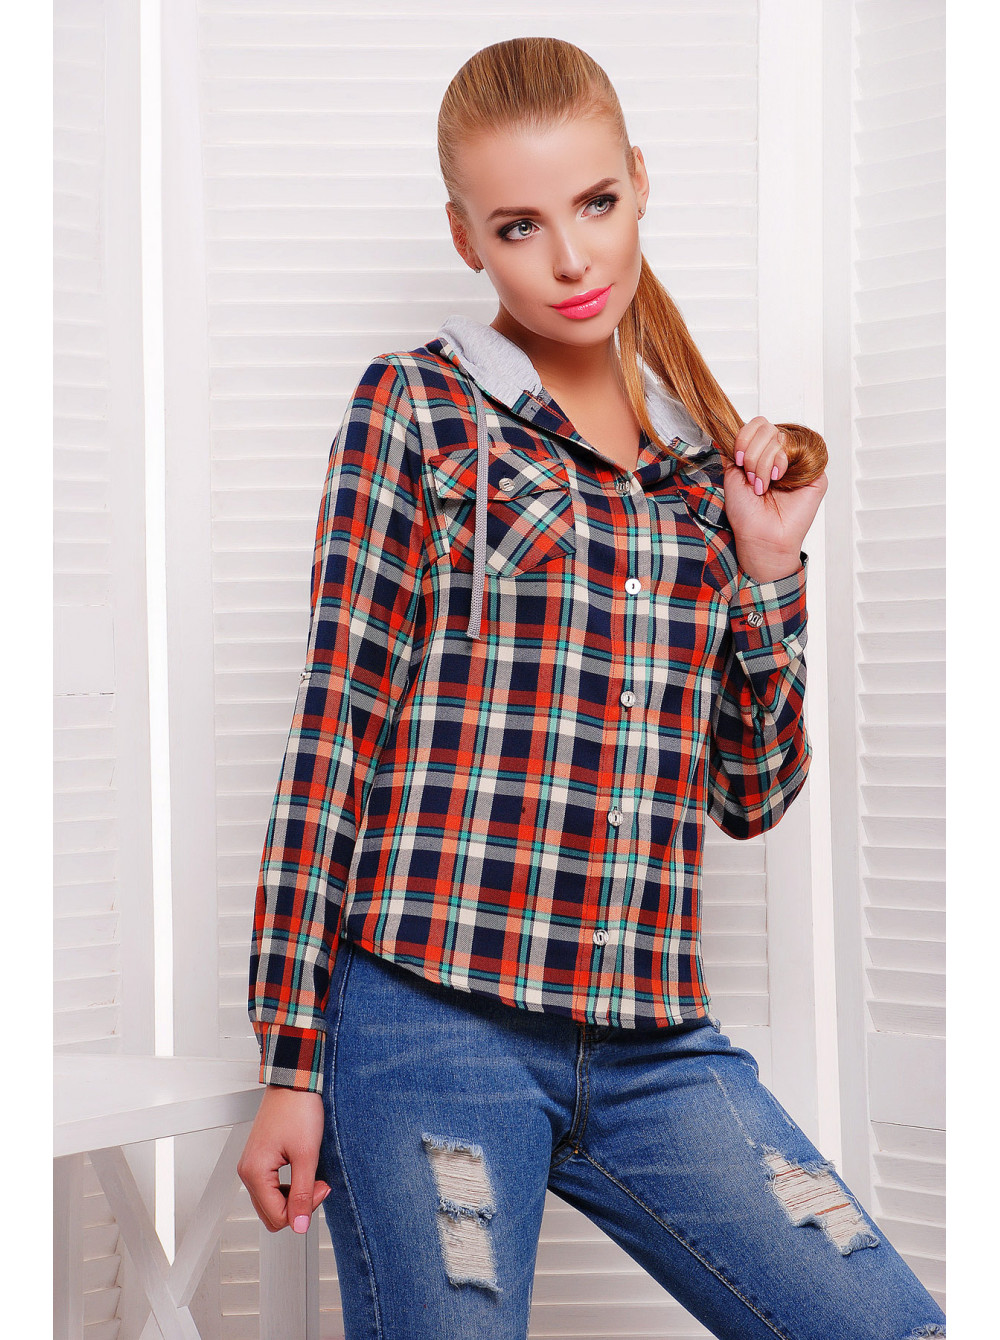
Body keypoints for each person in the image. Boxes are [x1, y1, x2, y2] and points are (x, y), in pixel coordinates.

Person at [237, 36, 946, 1340]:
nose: (571, 258)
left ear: (639, 184)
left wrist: (767, 570)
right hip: (430, 1028)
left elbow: (752, 794)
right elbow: (334, 731)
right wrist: (290, 1060)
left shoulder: (697, 477)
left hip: (653, 1043)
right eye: (520, 225)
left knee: (887, 1325)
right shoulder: (421, 410)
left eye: (597, 203)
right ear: (467, 238)